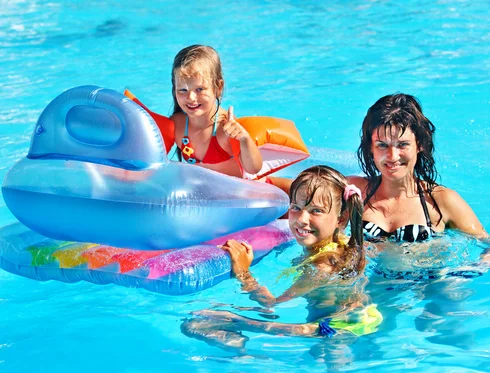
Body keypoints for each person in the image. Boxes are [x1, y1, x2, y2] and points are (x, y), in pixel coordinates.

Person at [182, 166, 382, 352]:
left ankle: (243, 352)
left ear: (341, 218)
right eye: (296, 207)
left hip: (331, 330)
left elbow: (271, 305)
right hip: (357, 317)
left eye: (316, 211)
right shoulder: (344, 244)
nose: (302, 219)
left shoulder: (321, 266)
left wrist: (243, 273)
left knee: (198, 322)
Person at [350, 93, 487, 242]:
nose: (393, 156)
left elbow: (485, 242)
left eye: (403, 144)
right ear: (371, 147)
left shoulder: (441, 200)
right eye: (382, 145)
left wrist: (472, 265)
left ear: (420, 144)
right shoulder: (353, 191)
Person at [170, 45, 263, 178]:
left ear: (218, 88)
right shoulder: (176, 125)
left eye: (200, 89)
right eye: (183, 90)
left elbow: (253, 169)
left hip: (244, 193)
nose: (191, 98)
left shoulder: (225, 128)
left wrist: (244, 139)